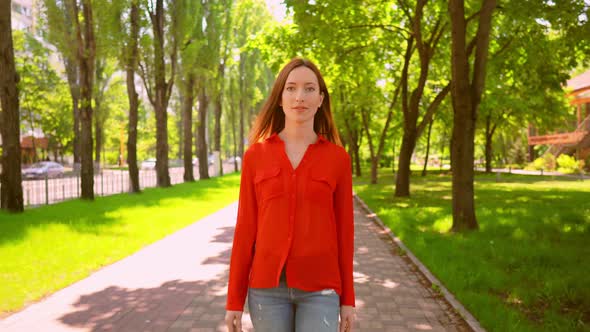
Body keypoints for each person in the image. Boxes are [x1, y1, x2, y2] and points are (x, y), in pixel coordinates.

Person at [225, 58, 356, 332]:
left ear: (320, 98)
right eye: (291, 88)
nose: (300, 97)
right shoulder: (255, 157)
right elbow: (245, 231)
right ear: (280, 97)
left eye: (309, 89)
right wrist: (234, 301)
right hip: (266, 291)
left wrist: (348, 300)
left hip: (321, 289)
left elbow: (345, 234)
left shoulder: (338, 159)